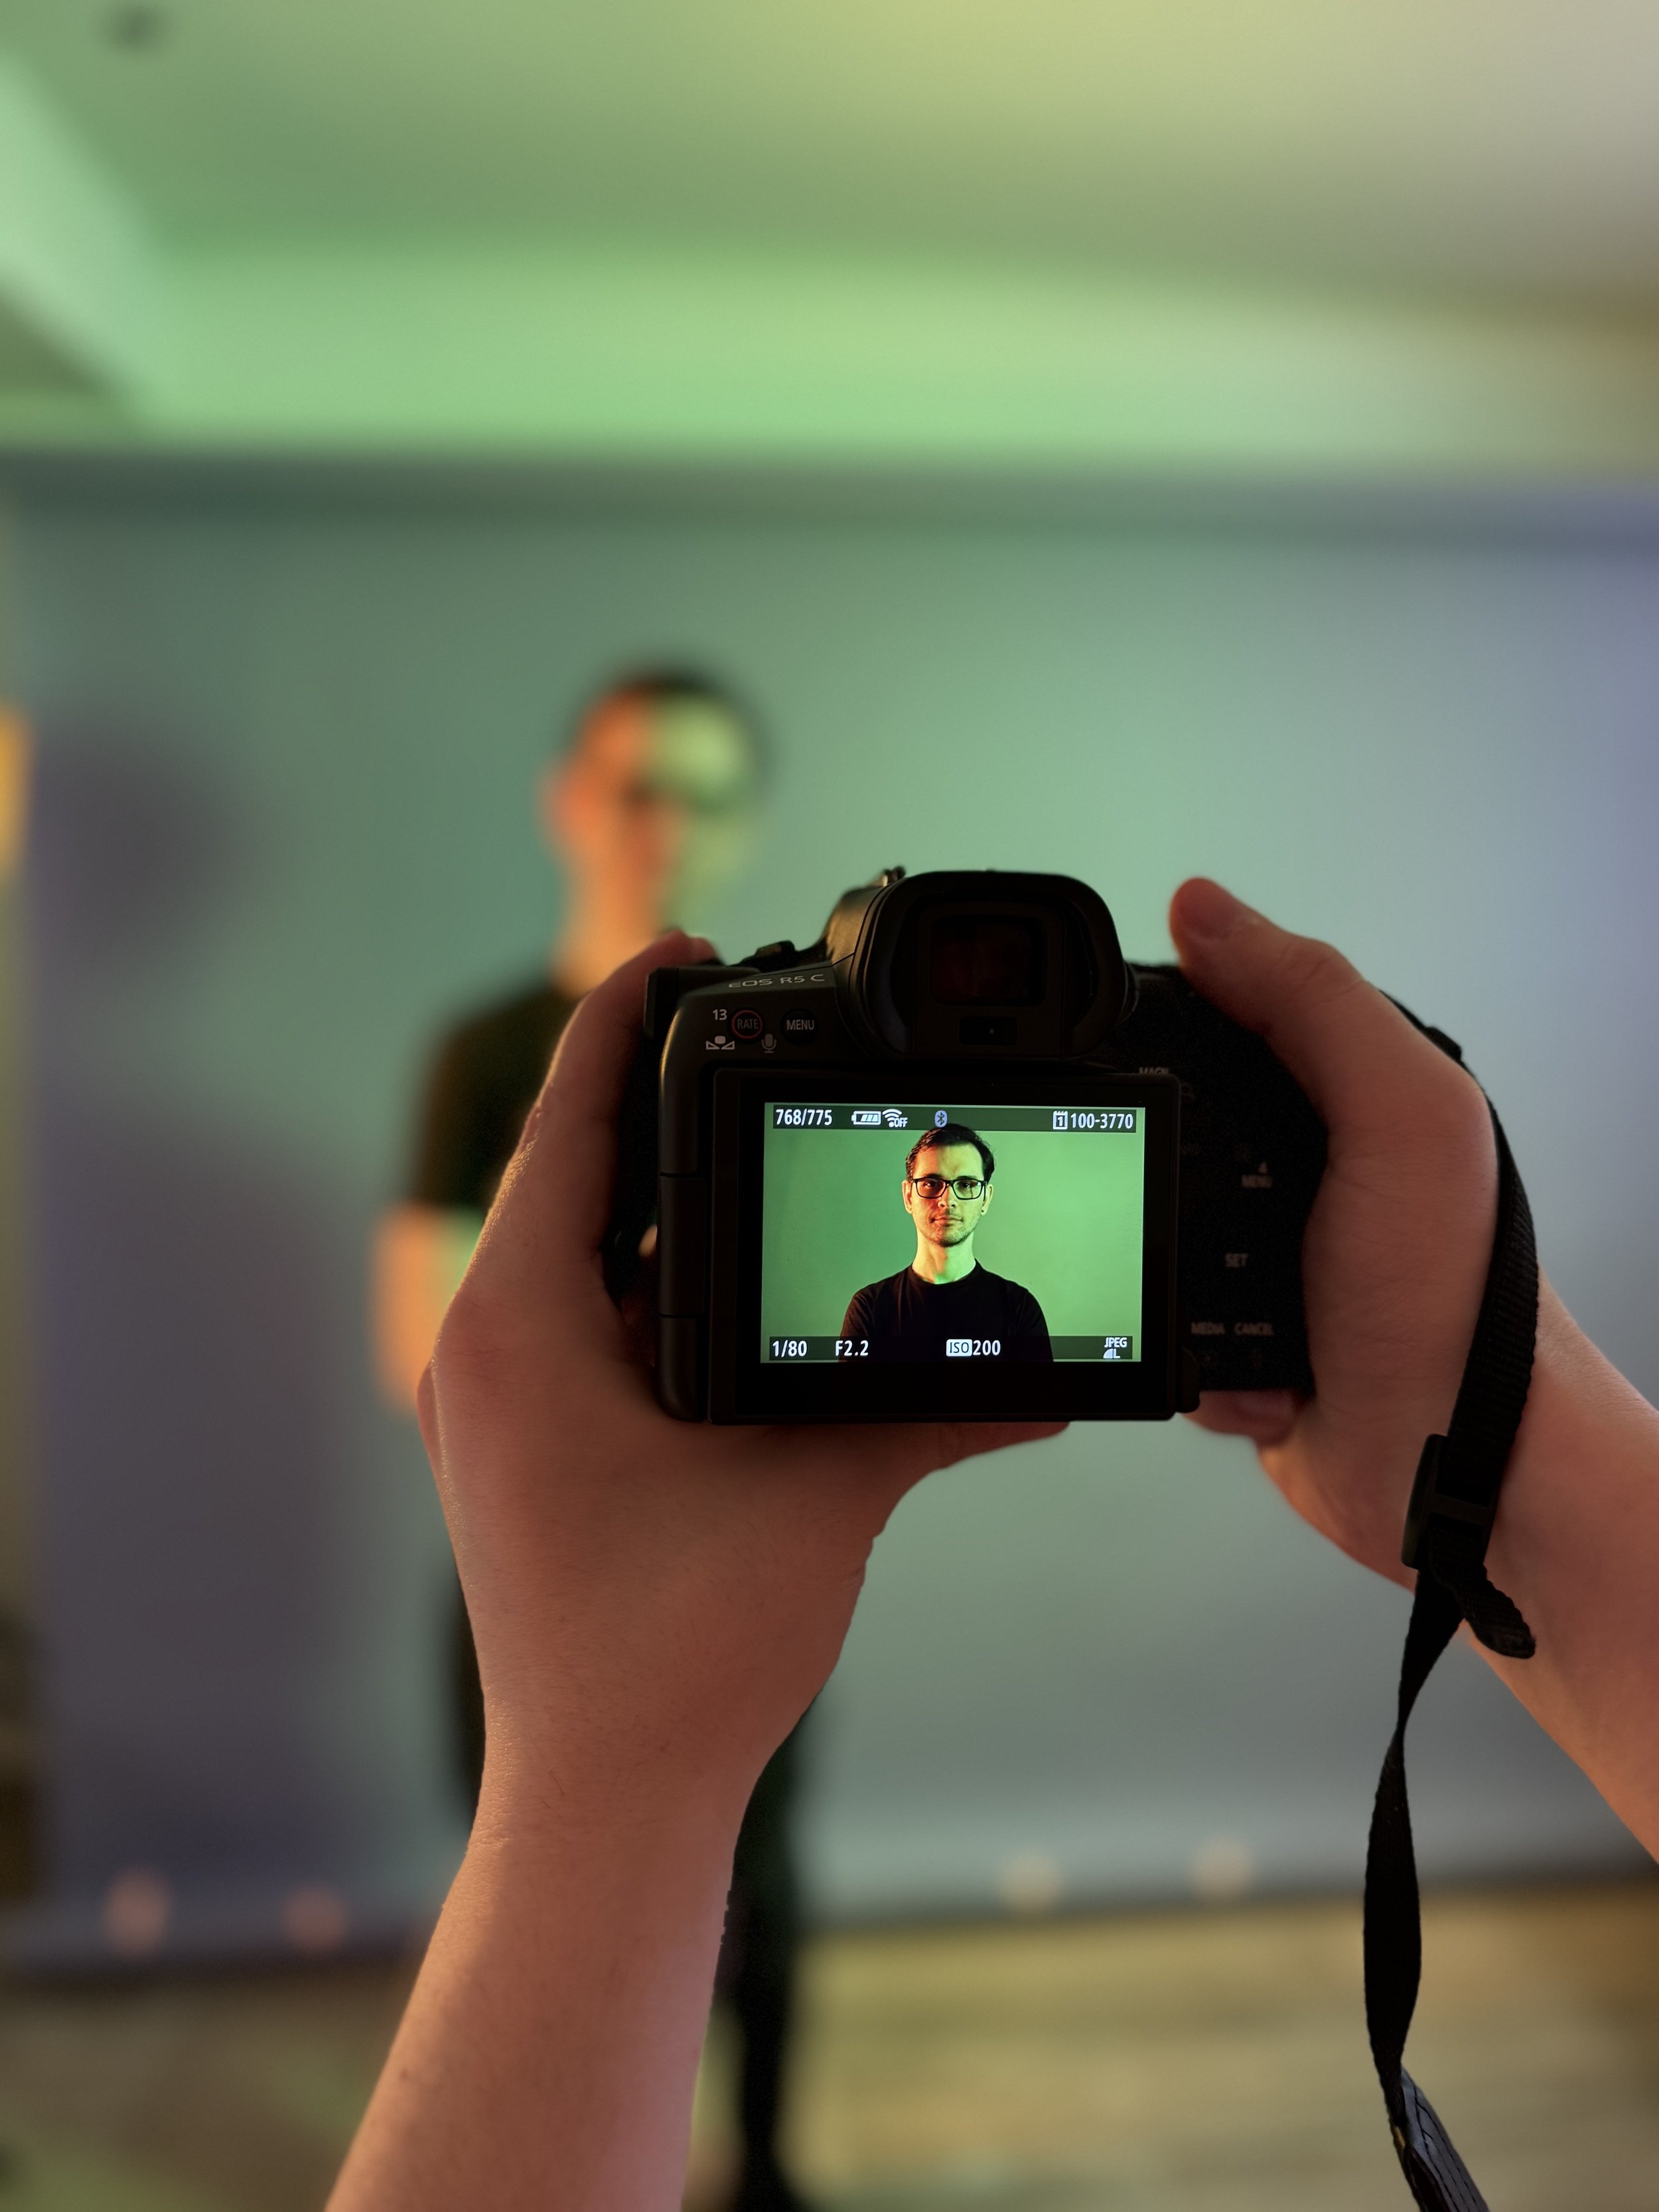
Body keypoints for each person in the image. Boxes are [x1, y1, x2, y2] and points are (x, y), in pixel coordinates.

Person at [328, 879, 1659, 2212]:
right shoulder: (855, 1299)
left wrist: (1493, 1457)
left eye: (969, 1175)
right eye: (928, 1173)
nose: (948, 1194)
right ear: (906, 1187)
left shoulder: (1025, 1303)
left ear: (982, 1189)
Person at [371, 669, 816, 2212]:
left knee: (758, 1891)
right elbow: (421, 1350)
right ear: (571, 801)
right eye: (639, 784)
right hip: (527, 1575)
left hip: (747, 1554)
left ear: (744, 824)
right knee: (537, 1896)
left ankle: (755, 2171)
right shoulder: (485, 1051)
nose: (667, 823)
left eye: (702, 790)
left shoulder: (792, 1055)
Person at [841, 1124, 1052, 1361]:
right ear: (908, 1196)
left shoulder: (1020, 1309)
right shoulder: (869, 1308)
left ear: (986, 1199)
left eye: (966, 1184)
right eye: (932, 1183)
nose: (947, 1200)